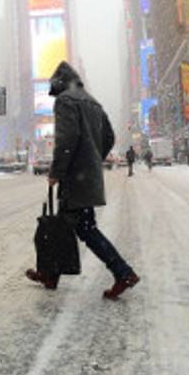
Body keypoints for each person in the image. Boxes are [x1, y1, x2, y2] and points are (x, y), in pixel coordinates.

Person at [25, 61, 140, 301]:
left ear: (59, 84)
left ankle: (122, 272)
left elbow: (66, 139)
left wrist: (56, 171)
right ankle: (50, 274)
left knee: (82, 228)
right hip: (87, 176)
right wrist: (93, 158)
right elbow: (109, 137)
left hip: (74, 178)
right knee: (69, 224)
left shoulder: (65, 101)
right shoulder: (93, 101)